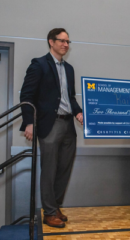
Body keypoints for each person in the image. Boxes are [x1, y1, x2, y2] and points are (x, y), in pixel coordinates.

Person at [20, 28, 83, 228]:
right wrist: (29, 122)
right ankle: (48, 212)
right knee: (49, 170)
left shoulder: (70, 69)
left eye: (68, 41)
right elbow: (27, 96)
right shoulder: (39, 64)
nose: (66, 44)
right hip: (49, 124)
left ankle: (55, 206)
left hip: (68, 125)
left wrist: (78, 113)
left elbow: (70, 98)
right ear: (51, 42)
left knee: (64, 169)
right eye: (62, 41)